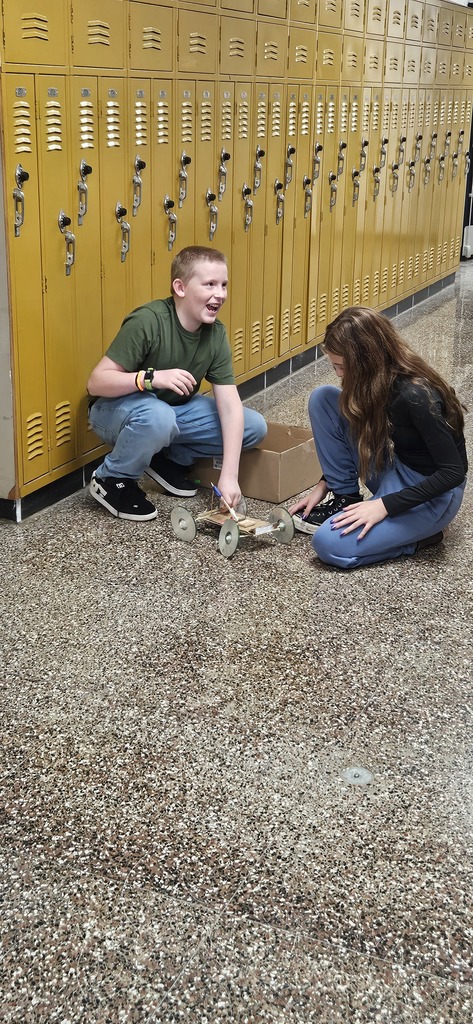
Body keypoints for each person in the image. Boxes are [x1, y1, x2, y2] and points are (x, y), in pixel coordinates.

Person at [87, 246, 267, 520]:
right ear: (180, 287)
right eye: (210, 284)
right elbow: (96, 383)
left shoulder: (215, 334)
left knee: (253, 427)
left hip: (169, 414)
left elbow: (230, 406)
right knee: (158, 416)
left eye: (224, 285)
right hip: (113, 411)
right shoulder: (149, 321)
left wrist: (229, 476)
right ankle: (112, 478)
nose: (220, 294)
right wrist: (150, 378)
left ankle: (165, 459)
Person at [289, 306, 468, 570]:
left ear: (365, 362)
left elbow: (454, 473)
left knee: (327, 544)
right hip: (398, 468)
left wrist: (384, 505)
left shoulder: (415, 395)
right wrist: (326, 482)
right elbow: (366, 431)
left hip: (433, 496)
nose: (339, 374)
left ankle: (423, 539)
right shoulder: (375, 382)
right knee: (324, 398)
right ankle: (346, 498)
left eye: (342, 367)